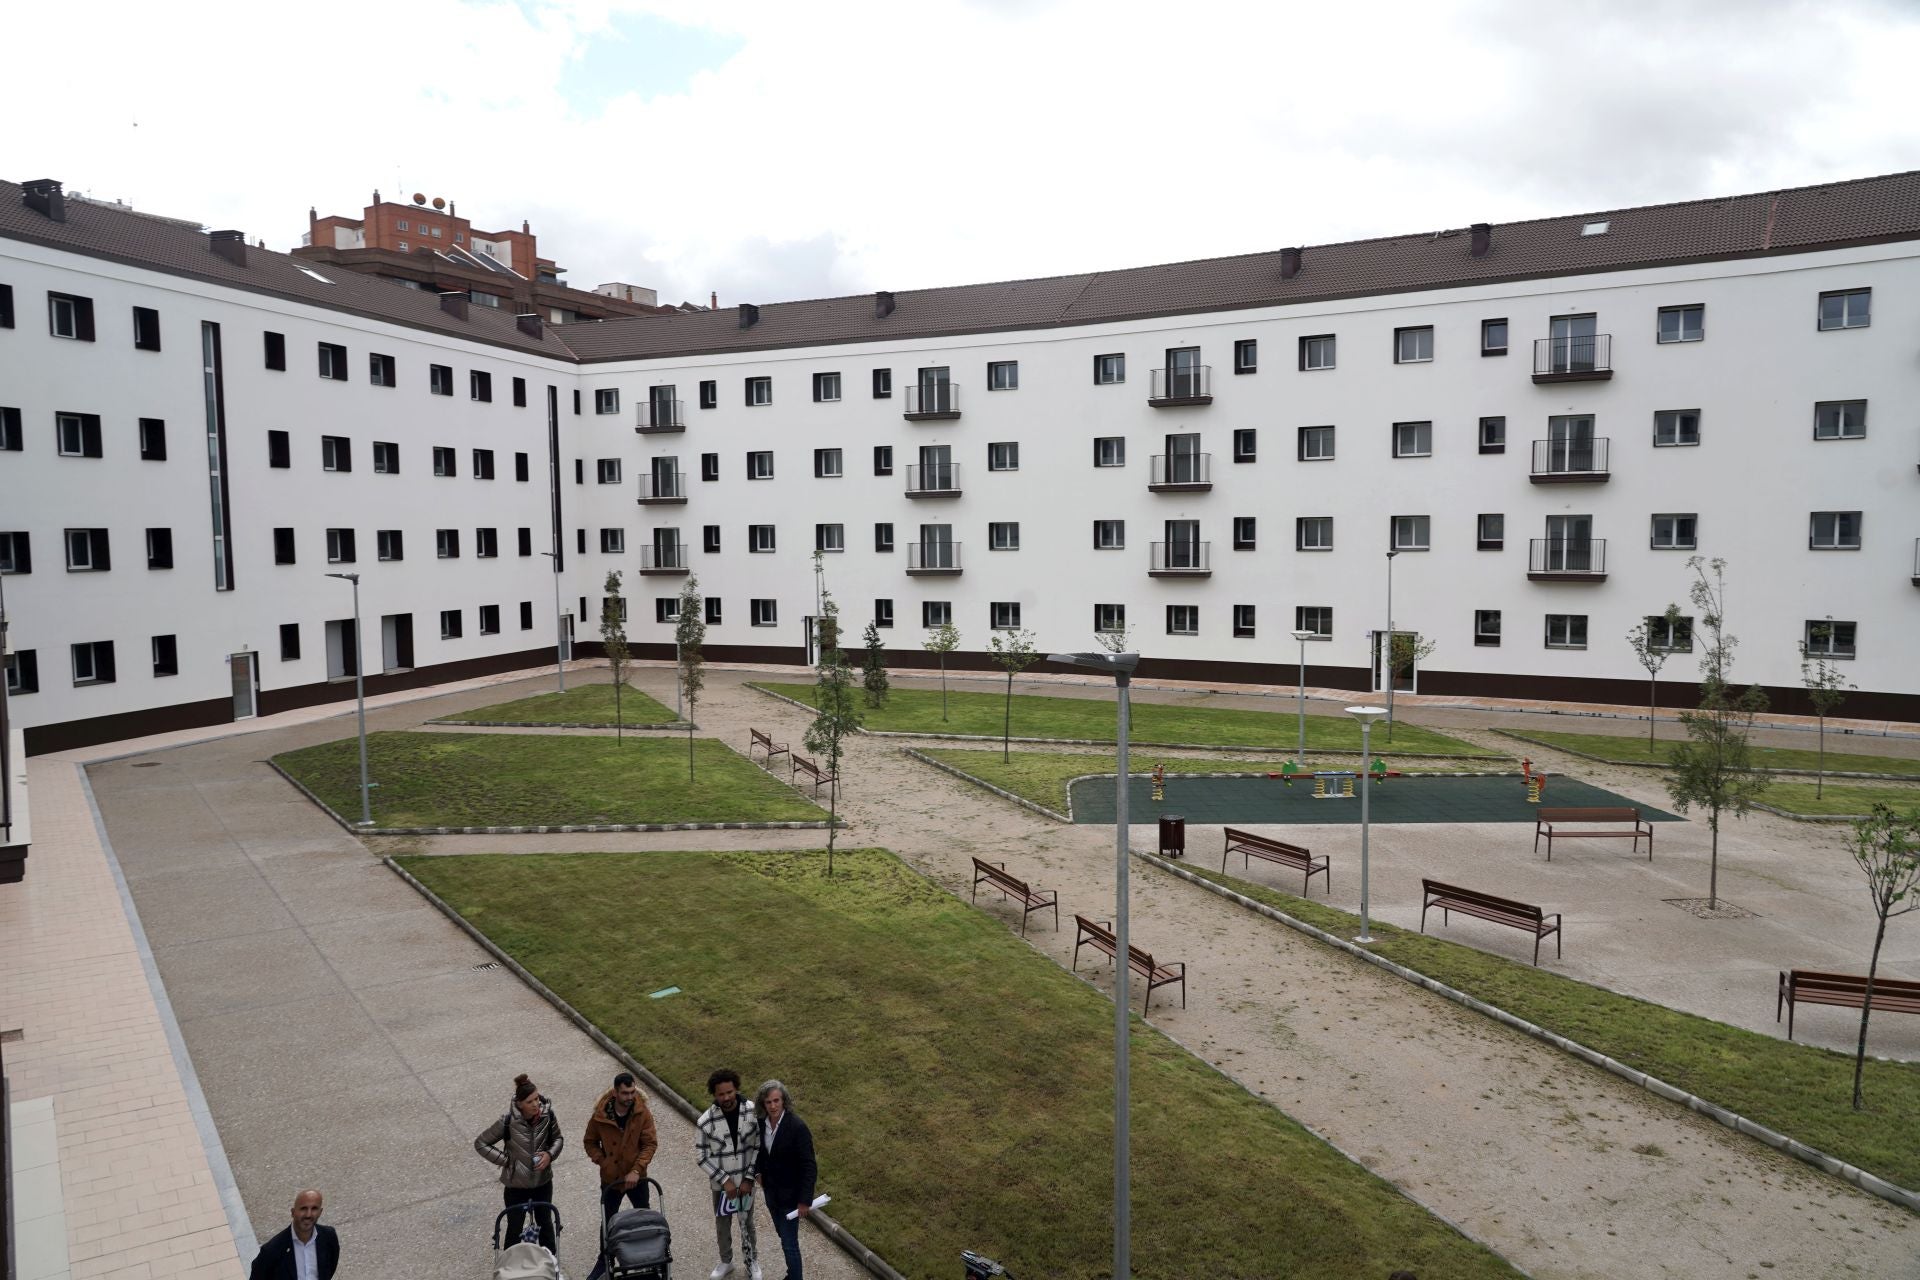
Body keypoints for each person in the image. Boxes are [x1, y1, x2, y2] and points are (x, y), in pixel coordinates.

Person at [475, 1072, 564, 1255]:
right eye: (530, 1101)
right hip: (515, 1186)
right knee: (514, 1228)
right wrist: (506, 1161)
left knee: (546, 1225)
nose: (536, 1104)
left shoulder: (548, 1116)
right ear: (520, 1104)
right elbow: (481, 1143)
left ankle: (551, 1265)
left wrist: (549, 1154)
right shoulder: (507, 1122)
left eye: (537, 1099)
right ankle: (510, 1267)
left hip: (542, 1183)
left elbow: (558, 1139)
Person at [695, 1067, 760, 1280]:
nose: (726, 1097)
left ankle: (752, 1263)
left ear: (736, 1089)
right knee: (723, 1224)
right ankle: (726, 1262)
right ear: (714, 1094)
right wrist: (725, 1181)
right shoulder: (705, 1121)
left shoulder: (753, 1112)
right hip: (722, 1187)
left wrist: (749, 1178)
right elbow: (702, 1157)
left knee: (747, 1223)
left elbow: (760, 1148)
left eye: (730, 1092)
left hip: (746, 1183)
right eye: (721, 1094)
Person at [755, 1080, 818, 1280]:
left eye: (776, 1101)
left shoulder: (797, 1127)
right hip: (772, 1195)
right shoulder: (761, 1124)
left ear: (784, 1101)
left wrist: (804, 1201)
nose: (773, 1106)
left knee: (790, 1244)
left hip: (791, 1198)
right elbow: (759, 1153)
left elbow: (809, 1166)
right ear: (763, 1104)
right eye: (768, 1102)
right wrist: (758, 1174)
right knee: (784, 1238)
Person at [583, 1071, 660, 1231]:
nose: (630, 1097)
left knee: (645, 1217)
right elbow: (590, 1142)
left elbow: (650, 1144)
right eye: (625, 1093)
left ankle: (649, 1253)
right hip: (611, 1178)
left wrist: (637, 1170)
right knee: (608, 1221)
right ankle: (604, 1256)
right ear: (615, 1092)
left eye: (632, 1092)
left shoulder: (642, 1113)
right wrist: (604, 1162)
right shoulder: (600, 1116)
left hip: (637, 1177)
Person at [249, 1188, 339, 1280]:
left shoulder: (328, 1237)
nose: (308, 1214)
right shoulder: (272, 1250)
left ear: (320, 1212)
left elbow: (330, 1268)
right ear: (293, 1212)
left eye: (314, 1209)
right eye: (303, 1208)